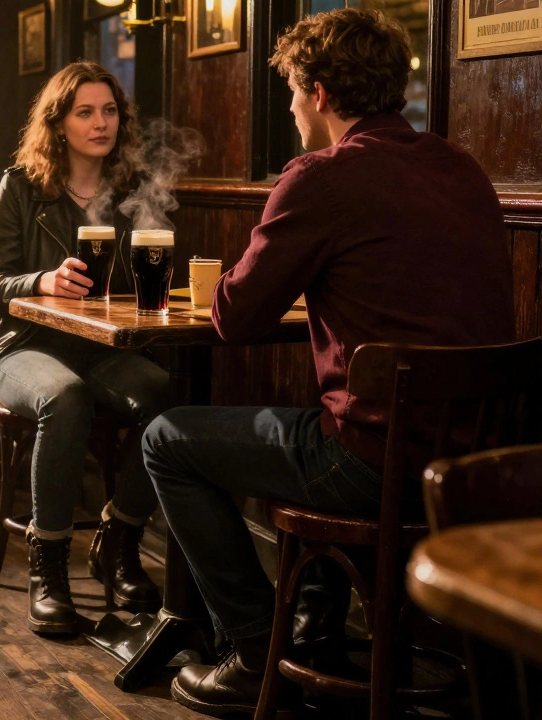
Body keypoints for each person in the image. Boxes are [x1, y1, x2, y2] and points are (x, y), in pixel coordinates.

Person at [140, 9, 513, 717]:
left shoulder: (320, 176)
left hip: (375, 462)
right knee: (316, 422)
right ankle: (309, 638)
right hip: (472, 462)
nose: (286, 106)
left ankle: (256, 654)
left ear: (316, 92)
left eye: (287, 90)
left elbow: (235, 317)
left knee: (167, 440)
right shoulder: (460, 166)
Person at [0, 60, 172, 636]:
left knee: (164, 394)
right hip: (24, 346)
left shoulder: (134, 189)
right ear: (58, 122)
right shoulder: (21, 184)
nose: (100, 122)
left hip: (102, 346)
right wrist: (42, 281)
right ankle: (49, 571)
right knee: (63, 397)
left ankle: (119, 540)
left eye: (109, 110)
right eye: (85, 111)